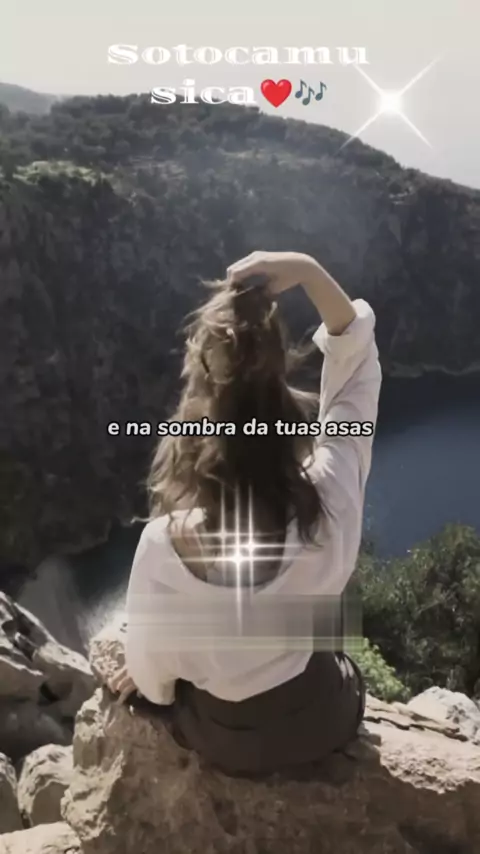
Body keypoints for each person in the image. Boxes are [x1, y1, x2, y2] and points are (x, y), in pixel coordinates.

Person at [107, 250, 382, 777]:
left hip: (225, 739)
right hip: (322, 717)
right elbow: (356, 374)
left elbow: (154, 677)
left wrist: (147, 679)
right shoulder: (331, 491)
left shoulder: (166, 544)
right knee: (323, 636)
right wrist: (308, 271)